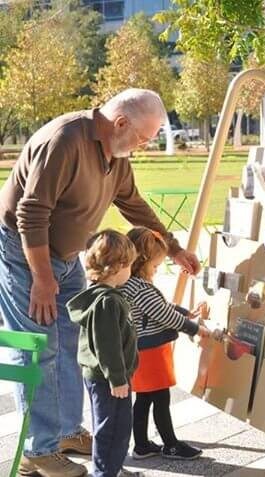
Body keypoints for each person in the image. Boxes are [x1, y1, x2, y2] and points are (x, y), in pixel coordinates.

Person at [0, 88, 201, 477]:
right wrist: (42, 278)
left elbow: (135, 205)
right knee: (37, 347)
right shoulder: (65, 141)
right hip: (25, 253)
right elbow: (31, 213)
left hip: (66, 256)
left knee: (81, 339)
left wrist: (172, 248)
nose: (145, 146)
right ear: (121, 123)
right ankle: (37, 451)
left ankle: (67, 432)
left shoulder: (117, 156)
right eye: (144, 137)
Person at [120, 227, 209, 461]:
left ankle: (141, 445)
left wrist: (185, 312)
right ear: (143, 262)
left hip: (138, 350)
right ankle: (171, 444)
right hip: (151, 352)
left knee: (144, 399)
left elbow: (160, 309)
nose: (157, 270)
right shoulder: (140, 288)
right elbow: (164, 315)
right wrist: (196, 328)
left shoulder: (128, 283)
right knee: (161, 399)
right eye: (156, 266)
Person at [67, 230, 139, 477]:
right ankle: (106, 472)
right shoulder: (107, 302)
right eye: (129, 265)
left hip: (102, 377)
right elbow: (107, 344)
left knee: (110, 426)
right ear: (117, 267)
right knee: (114, 429)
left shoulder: (100, 296)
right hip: (109, 379)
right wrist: (117, 378)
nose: (131, 270)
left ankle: (112, 468)